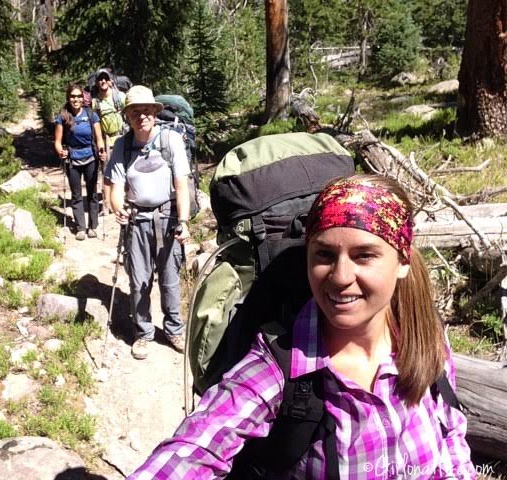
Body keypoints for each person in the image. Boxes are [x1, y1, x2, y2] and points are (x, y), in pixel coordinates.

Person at [128, 174, 475, 478]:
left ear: (402, 260)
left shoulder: (427, 338)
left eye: (364, 255)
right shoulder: (281, 364)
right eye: (324, 254)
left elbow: (451, 434)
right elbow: (197, 448)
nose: (340, 277)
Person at [104, 85, 191, 360]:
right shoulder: (122, 145)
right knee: (139, 279)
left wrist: (184, 221)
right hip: (136, 221)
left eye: (146, 111)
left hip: (167, 217)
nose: (141, 116)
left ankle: (174, 329)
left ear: (155, 112)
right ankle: (143, 333)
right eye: (135, 112)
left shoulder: (171, 139)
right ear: (127, 117)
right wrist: (118, 208)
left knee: (169, 278)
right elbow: (115, 187)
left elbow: (182, 183)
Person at [54, 83, 106, 240]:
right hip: (72, 159)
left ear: (83, 98)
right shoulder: (63, 117)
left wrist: (101, 150)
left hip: (91, 157)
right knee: (76, 195)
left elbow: (99, 138)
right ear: (68, 98)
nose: (76, 99)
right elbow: (57, 141)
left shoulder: (91, 115)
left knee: (92, 193)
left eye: (78, 96)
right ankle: (80, 228)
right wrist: (60, 151)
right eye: (72, 96)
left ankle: (93, 226)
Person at [91, 68, 127, 214]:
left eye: (105, 78)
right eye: (100, 79)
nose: (103, 81)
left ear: (110, 80)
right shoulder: (95, 102)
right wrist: (98, 143)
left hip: (121, 136)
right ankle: (106, 204)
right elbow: (95, 123)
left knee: (125, 170)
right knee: (106, 172)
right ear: (97, 82)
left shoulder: (120, 97)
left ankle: (123, 201)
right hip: (106, 140)